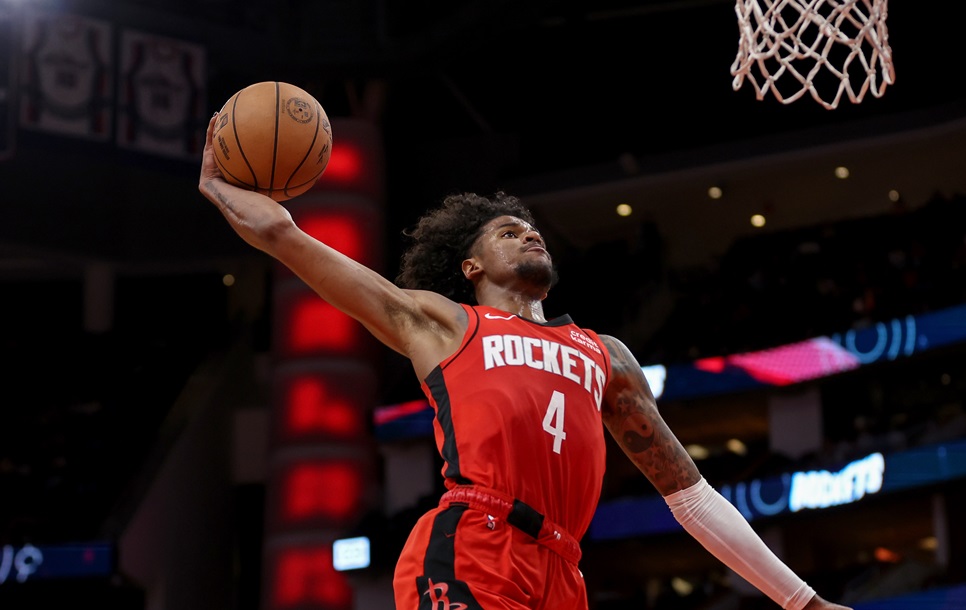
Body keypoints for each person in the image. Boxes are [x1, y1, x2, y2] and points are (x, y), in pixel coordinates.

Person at [197, 116, 852, 610]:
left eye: (531, 228)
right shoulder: (444, 324)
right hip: (475, 543)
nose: (529, 232)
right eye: (506, 232)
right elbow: (287, 237)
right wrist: (218, 184)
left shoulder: (605, 355)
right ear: (471, 266)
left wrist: (803, 601)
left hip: (563, 570)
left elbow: (692, 497)